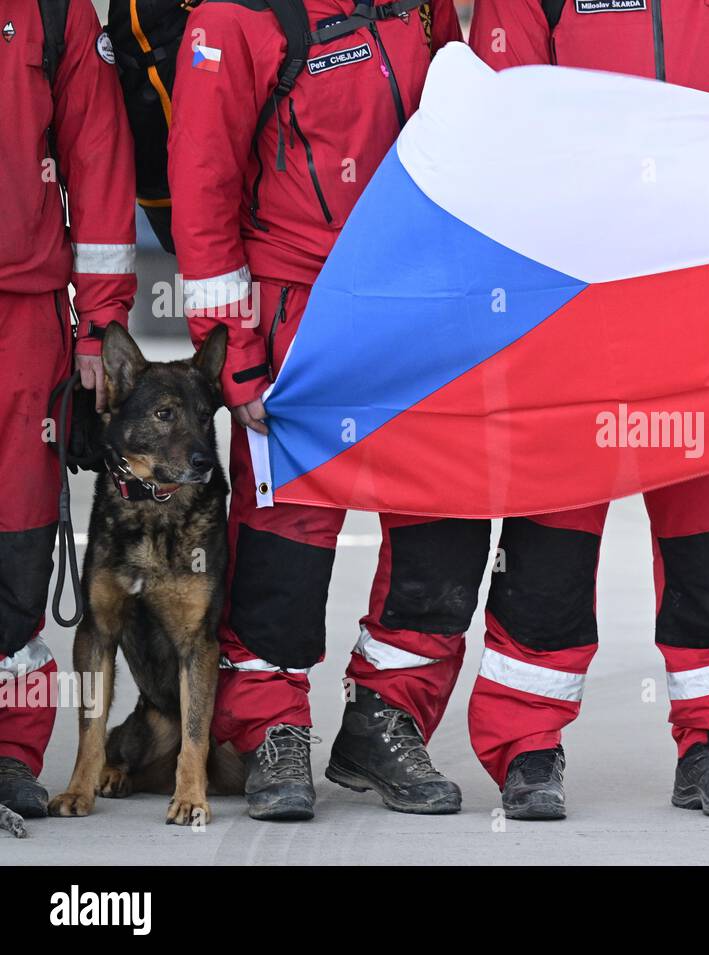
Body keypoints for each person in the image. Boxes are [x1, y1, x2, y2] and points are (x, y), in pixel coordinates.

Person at [465, 0, 709, 821]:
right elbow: (501, 123)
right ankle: (527, 746)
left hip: (702, 293)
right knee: (551, 533)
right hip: (575, 297)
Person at [169, 0, 468, 821]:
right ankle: (269, 729)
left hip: (420, 304)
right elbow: (203, 184)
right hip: (300, 315)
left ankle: (388, 718)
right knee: (283, 541)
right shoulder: (234, 20)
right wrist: (236, 351)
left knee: (441, 524)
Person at [0, 0, 136, 820]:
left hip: (28, 316)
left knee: (17, 541)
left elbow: (98, 158)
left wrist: (102, 322)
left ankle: (12, 749)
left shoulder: (55, 13)